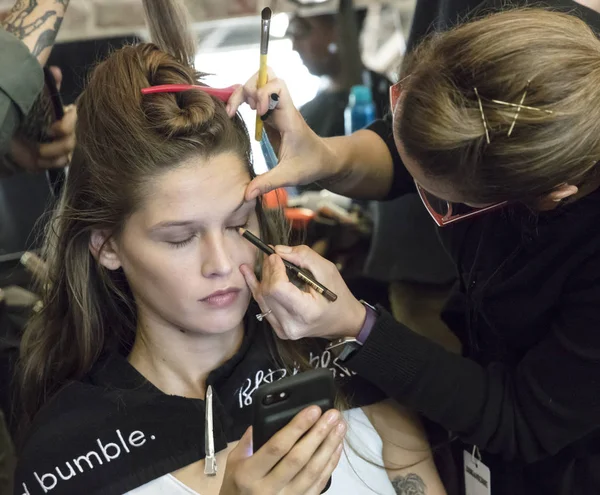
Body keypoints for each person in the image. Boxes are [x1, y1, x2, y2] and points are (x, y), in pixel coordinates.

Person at [12, 2, 447, 494]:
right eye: (179, 238)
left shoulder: (349, 365)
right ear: (107, 246)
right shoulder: (72, 454)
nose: (222, 265)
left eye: (239, 222)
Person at [228, 7, 600, 495]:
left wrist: (358, 326)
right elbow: (416, 145)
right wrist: (322, 154)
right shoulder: (506, 48)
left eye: (439, 198)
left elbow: (521, 419)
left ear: (547, 196)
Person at [287, 10, 390, 139]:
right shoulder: (307, 117)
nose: (295, 46)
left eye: (300, 30)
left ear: (338, 30)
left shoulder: (390, 101)